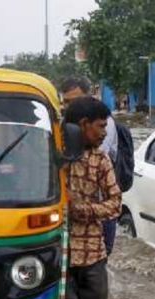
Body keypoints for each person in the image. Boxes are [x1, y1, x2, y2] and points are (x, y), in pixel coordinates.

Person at [61, 96, 122, 299]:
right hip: (59, 252)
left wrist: (82, 209)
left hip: (92, 252)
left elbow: (115, 204)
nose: (105, 133)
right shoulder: (53, 152)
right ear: (84, 124)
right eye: (101, 126)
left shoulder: (101, 159)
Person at [59, 77, 120, 256]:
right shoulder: (59, 132)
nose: (69, 107)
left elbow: (91, 156)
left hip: (97, 215)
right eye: (66, 102)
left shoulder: (100, 134)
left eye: (75, 101)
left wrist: (76, 206)